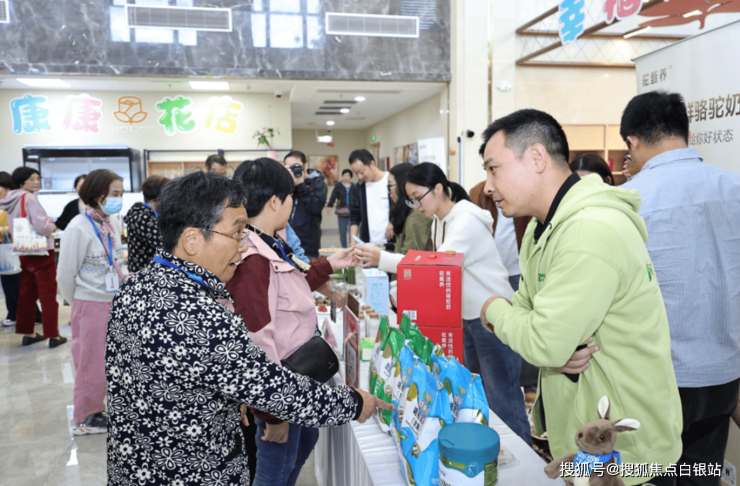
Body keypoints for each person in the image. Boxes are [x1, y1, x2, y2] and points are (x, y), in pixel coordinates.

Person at [105, 171, 390, 486]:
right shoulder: (201, 315)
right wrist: (353, 403)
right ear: (192, 240)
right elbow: (276, 391)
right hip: (193, 471)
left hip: (136, 465)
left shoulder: (137, 286)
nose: (243, 247)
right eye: (237, 233)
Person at [479, 109, 682, 486]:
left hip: (623, 449)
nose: (488, 186)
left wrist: (493, 309)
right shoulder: (544, 228)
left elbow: (542, 340)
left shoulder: (588, 231)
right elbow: (531, 314)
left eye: (494, 169)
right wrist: (543, 336)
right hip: (587, 439)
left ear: (536, 157)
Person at [620, 91, 740, 486]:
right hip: (725, 372)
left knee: (650, 475)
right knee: (702, 473)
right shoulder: (734, 186)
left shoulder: (629, 199)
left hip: (659, 377)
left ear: (633, 142)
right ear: (686, 133)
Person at [226, 158, 358, 486]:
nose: (291, 205)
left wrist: (329, 264)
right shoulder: (253, 258)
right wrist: (274, 413)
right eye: (290, 198)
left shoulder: (268, 240)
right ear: (275, 201)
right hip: (281, 384)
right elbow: (257, 342)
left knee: (304, 442)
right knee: (276, 466)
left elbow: (291, 282)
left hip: (296, 377)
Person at [398, 162, 532, 444]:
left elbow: (439, 265)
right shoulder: (439, 221)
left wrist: (383, 261)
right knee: (478, 396)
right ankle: (491, 452)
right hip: (468, 318)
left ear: (438, 189)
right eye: (411, 200)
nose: (416, 206)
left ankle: (524, 458)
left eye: (418, 197)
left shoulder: (465, 219)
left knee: (503, 398)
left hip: (493, 317)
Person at [58, 169, 126, 435]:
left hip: (111, 301)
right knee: (90, 362)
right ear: (98, 195)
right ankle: (85, 416)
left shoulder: (110, 222)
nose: (119, 199)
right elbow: (65, 274)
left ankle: (97, 408)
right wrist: (78, 303)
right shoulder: (78, 227)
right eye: (115, 194)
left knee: (107, 361)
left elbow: (116, 260)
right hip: (89, 303)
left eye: (120, 193)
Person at [470, 180, 536, 402]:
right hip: (492, 272)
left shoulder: (523, 190)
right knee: (502, 333)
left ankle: (530, 383)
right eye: (489, 168)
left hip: (518, 270)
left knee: (526, 325)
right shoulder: (479, 193)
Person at [1, 167, 65, 347]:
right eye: (31, 179)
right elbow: (42, 227)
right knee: (48, 293)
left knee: (27, 292)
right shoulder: (29, 198)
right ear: (21, 181)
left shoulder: (10, 199)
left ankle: (28, 333)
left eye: (37, 178)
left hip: (24, 249)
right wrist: (52, 225)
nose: (36, 182)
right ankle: (53, 335)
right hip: (41, 251)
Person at [353, 162, 433, 272]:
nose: (388, 192)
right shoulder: (405, 214)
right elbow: (401, 247)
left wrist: (379, 257)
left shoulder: (417, 218)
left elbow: (409, 260)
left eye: (390, 186)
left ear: (402, 186)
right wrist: (381, 247)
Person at [0, 171, 42, 328]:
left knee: (18, 285)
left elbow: (21, 224)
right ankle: (14, 314)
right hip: (5, 251)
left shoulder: (15, 202)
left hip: (16, 249)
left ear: (7, 187)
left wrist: (3, 230)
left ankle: (32, 315)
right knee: (9, 284)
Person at [282, 150, 327, 259]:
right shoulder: (288, 185)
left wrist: (301, 185)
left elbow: (316, 207)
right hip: (287, 242)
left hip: (308, 245)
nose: (293, 170)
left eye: (295, 166)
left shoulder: (318, 183)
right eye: (289, 168)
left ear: (305, 165)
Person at [123, 175, 169, 272]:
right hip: (145, 274)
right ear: (157, 199)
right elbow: (166, 244)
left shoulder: (151, 215)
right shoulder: (142, 217)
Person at [348, 149, 391, 245]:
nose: (360, 176)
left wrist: (393, 222)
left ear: (372, 164)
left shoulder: (391, 181)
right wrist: (352, 243)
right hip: (368, 244)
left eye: (361, 172)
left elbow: (402, 209)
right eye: (356, 173)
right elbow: (355, 216)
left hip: (391, 244)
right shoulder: (359, 187)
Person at [326, 169, 355, 248]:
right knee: (342, 232)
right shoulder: (338, 186)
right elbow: (333, 196)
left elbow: (358, 198)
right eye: (344, 175)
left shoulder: (354, 186)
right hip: (342, 212)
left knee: (352, 232)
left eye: (347, 175)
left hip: (352, 212)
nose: (345, 177)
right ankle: (344, 248)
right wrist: (330, 206)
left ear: (350, 177)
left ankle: (351, 247)